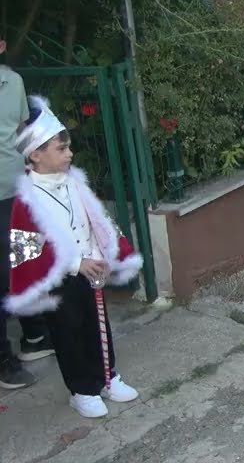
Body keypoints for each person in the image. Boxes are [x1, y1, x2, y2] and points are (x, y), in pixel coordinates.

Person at [6, 96, 144, 418]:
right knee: (69, 332)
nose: (70, 154)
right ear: (36, 155)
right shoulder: (26, 200)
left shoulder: (74, 184)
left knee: (98, 325)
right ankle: (82, 389)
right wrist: (74, 264)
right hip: (60, 280)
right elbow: (27, 252)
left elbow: (96, 222)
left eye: (68, 148)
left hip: (91, 268)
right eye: (62, 148)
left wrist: (104, 254)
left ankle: (108, 376)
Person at [0, 38, 52, 390]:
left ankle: (33, 335)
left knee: (26, 257)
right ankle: (4, 360)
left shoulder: (13, 82)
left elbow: (19, 132)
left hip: (16, 188)